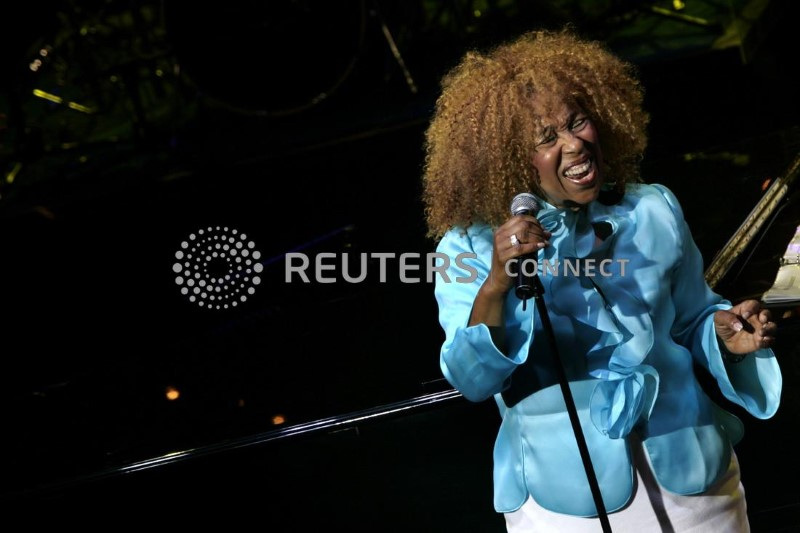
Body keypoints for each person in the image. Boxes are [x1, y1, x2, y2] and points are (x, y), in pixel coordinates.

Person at [422, 28, 782, 531]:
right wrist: (498, 283)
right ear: (503, 160)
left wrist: (723, 333)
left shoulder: (653, 207)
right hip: (565, 500)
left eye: (577, 123)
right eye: (546, 138)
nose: (574, 145)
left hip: (696, 478)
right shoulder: (468, 247)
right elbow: (472, 379)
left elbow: (694, 316)